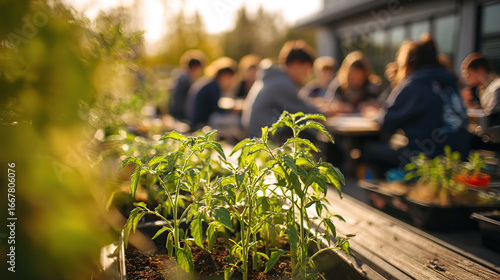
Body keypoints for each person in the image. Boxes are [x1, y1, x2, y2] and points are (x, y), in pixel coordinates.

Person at [364, 35, 469, 178]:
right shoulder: (449, 81)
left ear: (407, 63)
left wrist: (373, 115)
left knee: (368, 150)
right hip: (459, 157)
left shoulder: (414, 84)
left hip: (426, 159)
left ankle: (385, 196)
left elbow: (386, 123)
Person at [242, 40, 319, 138]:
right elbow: (301, 112)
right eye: (306, 70)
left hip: (255, 133)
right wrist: (323, 112)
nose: (306, 76)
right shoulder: (282, 83)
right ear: (296, 64)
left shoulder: (274, 78)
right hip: (264, 139)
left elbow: (294, 105)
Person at [187, 57, 237, 132]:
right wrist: (232, 110)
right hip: (201, 123)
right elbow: (217, 110)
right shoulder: (214, 86)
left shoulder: (209, 83)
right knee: (236, 121)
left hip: (194, 120)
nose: (231, 82)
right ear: (224, 76)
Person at [323, 51, 381, 116]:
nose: (356, 81)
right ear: (347, 74)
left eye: (359, 78)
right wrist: (339, 107)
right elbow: (327, 104)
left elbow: (381, 104)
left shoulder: (372, 86)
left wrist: (371, 105)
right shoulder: (338, 85)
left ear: (365, 74)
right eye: (353, 77)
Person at [461, 53, 500, 125]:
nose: (467, 79)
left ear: (480, 70)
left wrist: (468, 113)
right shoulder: (484, 89)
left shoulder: (496, 88)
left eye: (469, 75)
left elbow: (491, 116)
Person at [169, 50, 206, 120]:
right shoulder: (185, 81)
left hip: (176, 113)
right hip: (180, 115)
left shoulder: (181, 77)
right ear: (195, 67)